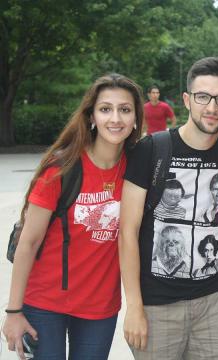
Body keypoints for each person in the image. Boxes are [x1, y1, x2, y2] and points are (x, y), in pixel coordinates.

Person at [2, 73, 144, 359]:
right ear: (91, 116)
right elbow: (28, 243)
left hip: (100, 308)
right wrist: (14, 311)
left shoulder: (137, 170)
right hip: (45, 304)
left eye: (124, 109)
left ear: (135, 119)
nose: (115, 118)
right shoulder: (61, 169)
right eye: (105, 109)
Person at [119, 57, 218, 359]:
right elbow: (128, 232)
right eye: (203, 97)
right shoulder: (151, 149)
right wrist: (134, 307)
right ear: (187, 99)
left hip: (215, 303)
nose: (212, 108)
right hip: (157, 306)